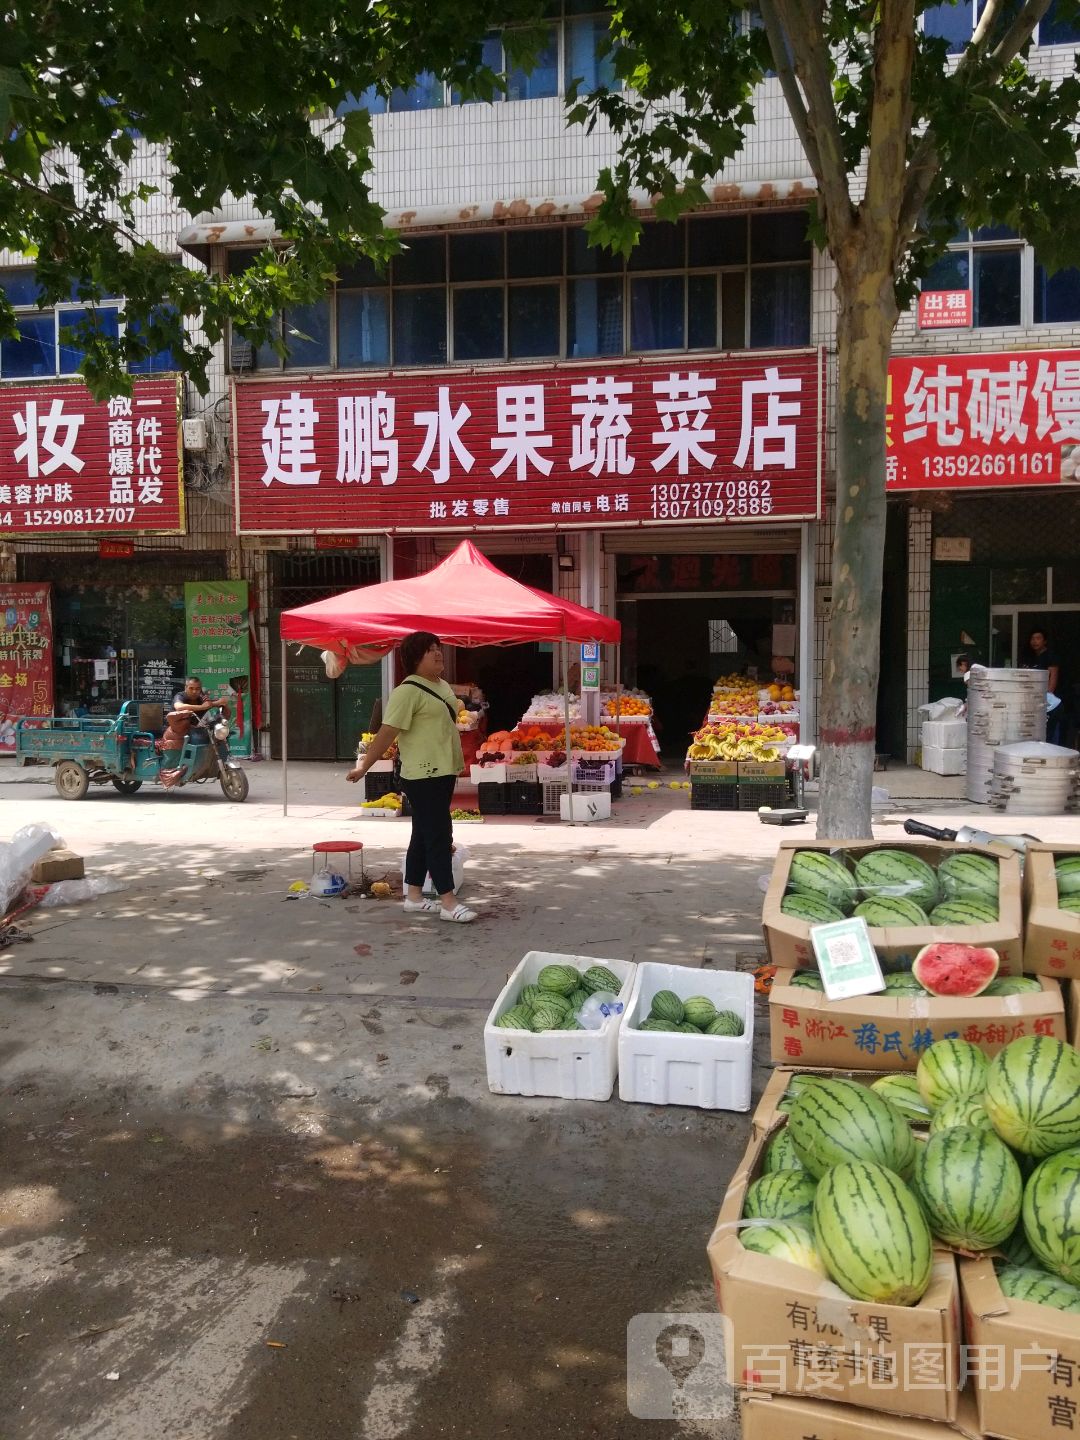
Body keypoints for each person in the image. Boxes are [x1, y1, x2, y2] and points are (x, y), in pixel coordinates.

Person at [347, 632, 476, 923]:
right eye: (430, 650)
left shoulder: (441, 685)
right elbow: (387, 733)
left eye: (438, 648)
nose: (438, 654)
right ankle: (448, 902)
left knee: (422, 834)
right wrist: (363, 767)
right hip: (422, 775)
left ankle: (414, 897)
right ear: (414, 658)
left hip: (444, 771)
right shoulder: (406, 692)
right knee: (439, 837)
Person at [1024, 630, 1064, 744]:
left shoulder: (1051, 656)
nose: (1034, 641)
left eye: (1038, 638)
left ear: (1045, 641)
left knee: (1049, 736)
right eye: (1032, 638)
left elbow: (1052, 680)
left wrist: (1048, 697)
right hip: (1036, 702)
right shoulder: (1032, 658)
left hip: (1050, 704)